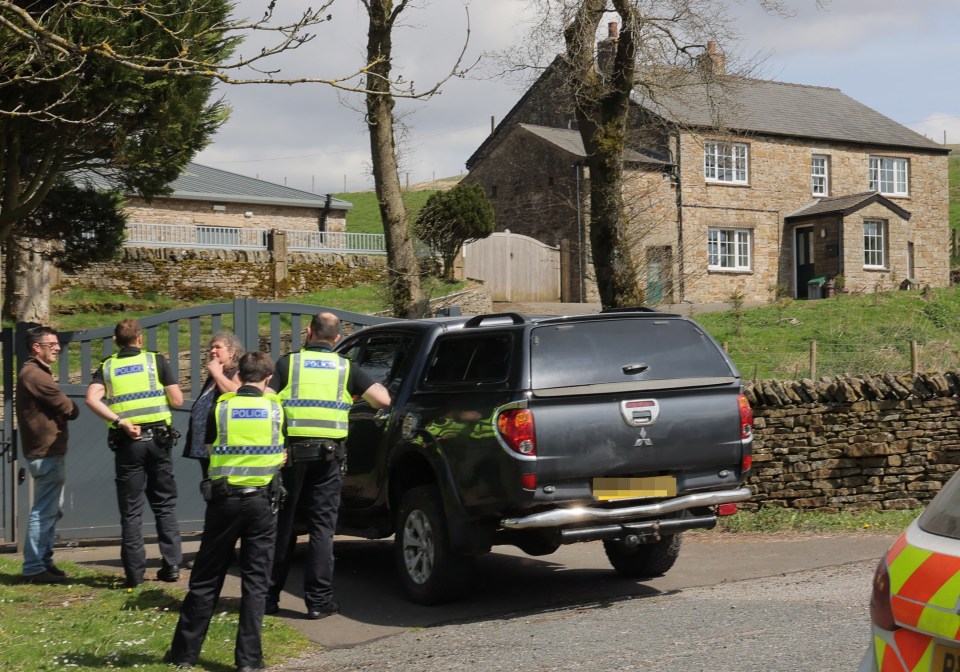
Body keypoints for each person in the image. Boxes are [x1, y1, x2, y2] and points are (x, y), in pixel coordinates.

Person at [164, 351, 286, 672]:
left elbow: (207, 447)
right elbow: (282, 451)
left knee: (206, 578)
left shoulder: (221, 406)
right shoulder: (275, 408)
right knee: (256, 583)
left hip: (224, 501)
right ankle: (248, 661)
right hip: (261, 503)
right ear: (268, 379)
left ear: (239, 376)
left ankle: (184, 655)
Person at [266, 312, 390, 619]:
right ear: (336, 338)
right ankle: (318, 602)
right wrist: (357, 397)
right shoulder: (345, 367)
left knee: (284, 528)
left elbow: (265, 400)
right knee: (322, 530)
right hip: (328, 458)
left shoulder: (288, 364)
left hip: (290, 458)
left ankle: (267, 599)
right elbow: (383, 399)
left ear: (308, 332)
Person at [85, 318, 185, 588]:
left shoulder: (107, 366)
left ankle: (134, 573)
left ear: (117, 341)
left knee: (131, 511)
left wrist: (120, 421)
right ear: (139, 338)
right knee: (164, 504)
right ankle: (172, 564)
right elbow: (177, 400)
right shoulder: (155, 361)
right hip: (159, 442)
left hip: (129, 443)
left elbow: (91, 398)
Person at [16, 326, 80, 584]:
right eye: (51, 343)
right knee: (44, 511)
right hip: (45, 453)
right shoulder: (35, 375)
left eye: (57, 343)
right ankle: (33, 567)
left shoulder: (35, 373)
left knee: (53, 509)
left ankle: (44, 561)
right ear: (36, 348)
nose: (57, 347)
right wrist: (70, 408)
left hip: (48, 452)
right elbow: (69, 408)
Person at [184, 331, 243, 478]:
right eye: (211, 347)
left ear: (232, 352)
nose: (212, 351)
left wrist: (217, 374)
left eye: (218, 347)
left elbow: (237, 395)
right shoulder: (214, 377)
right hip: (207, 447)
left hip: (223, 447)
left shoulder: (236, 373)